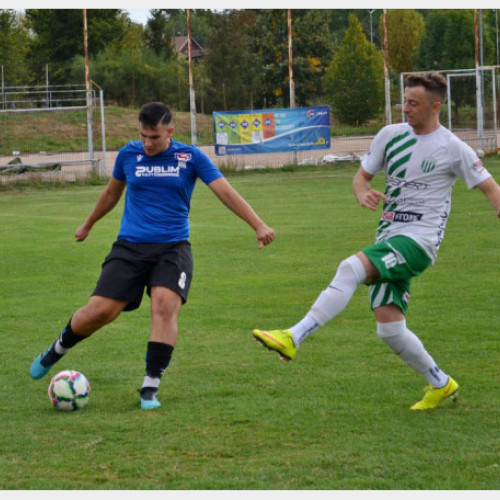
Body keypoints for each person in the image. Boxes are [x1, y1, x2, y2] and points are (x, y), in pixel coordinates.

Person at [253, 71, 500, 410]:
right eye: (404, 101)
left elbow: (491, 189)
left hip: (419, 242)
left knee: (350, 268)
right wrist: (362, 193)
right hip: (389, 236)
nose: (405, 108)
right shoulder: (390, 135)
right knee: (390, 329)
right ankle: (441, 383)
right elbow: (362, 177)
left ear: (435, 107)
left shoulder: (453, 148)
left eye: (413, 103)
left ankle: (293, 336)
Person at [30, 102, 275, 410]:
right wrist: (88, 224)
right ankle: (58, 348)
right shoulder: (127, 155)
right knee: (100, 312)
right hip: (130, 247)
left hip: (173, 248)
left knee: (165, 304)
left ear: (170, 131)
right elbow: (111, 193)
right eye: (143, 135)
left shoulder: (190, 157)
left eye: (154, 137)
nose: (147, 142)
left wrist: (258, 225)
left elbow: (225, 191)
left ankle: (150, 386)